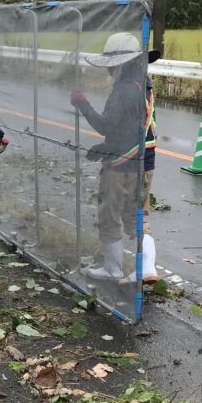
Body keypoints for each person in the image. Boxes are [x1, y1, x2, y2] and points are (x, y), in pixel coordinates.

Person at [69, 33, 159, 283]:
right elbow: (130, 129)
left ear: (121, 64)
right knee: (137, 216)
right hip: (144, 164)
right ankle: (147, 268)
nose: (108, 71)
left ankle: (113, 268)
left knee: (110, 215)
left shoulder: (123, 90)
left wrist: (83, 104)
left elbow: (107, 125)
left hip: (123, 167)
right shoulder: (144, 84)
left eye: (111, 66)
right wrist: (104, 146)